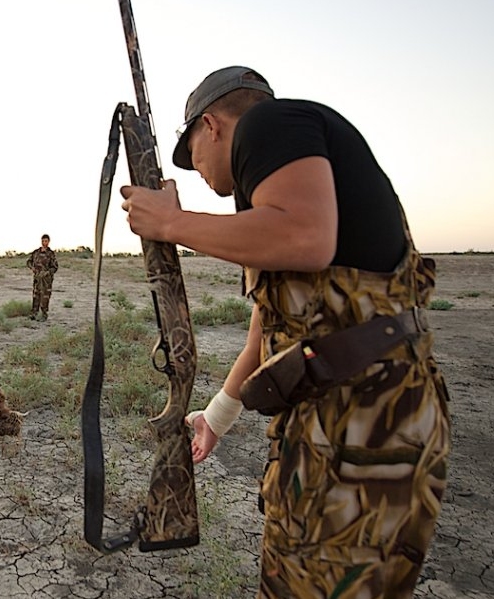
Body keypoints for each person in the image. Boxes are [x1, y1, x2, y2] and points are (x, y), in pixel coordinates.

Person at [121, 66, 450, 598]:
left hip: (355, 428)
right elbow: (268, 332)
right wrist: (217, 417)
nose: (195, 169)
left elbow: (306, 236)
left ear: (212, 125)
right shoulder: (283, 186)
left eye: (191, 154)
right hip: (377, 419)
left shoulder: (268, 123)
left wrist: (171, 224)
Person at [26, 234, 58, 321]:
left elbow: (55, 267)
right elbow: (29, 261)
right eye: (43, 241)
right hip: (37, 279)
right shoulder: (36, 252)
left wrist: (47, 273)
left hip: (46, 280)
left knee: (45, 297)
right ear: (41, 241)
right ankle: (34, 313)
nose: (44, 243)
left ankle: (44, 315)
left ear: (49, 242)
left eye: (46, 241)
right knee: (36, 295)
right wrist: (32, 268)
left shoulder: (50, 254)